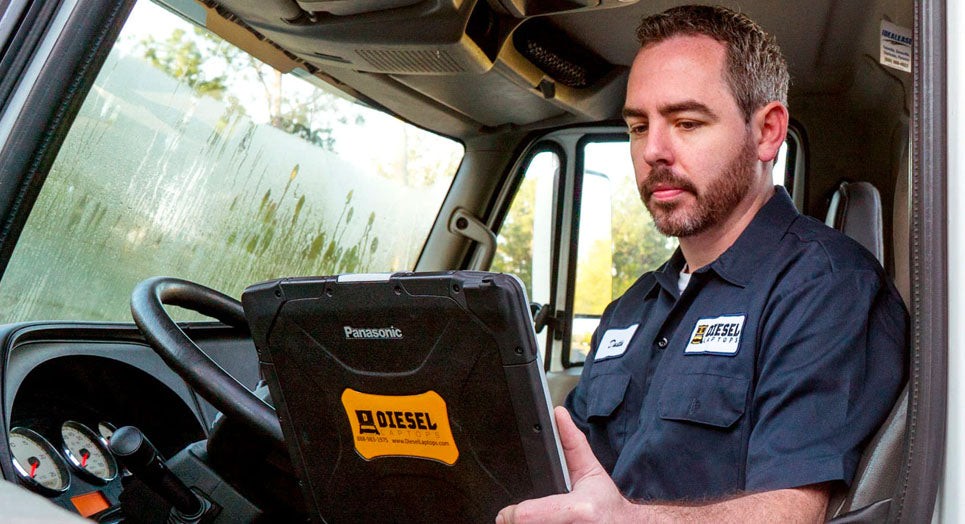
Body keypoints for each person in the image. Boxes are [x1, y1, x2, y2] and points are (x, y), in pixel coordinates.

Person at [497, 5, 907, 523]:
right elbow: (570, 467)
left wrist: (623, 520)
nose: (654, 151)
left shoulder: (826, 287)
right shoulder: (631, 307)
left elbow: (790, 514)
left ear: (767, 132)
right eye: (638, 127)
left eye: (687, 122)